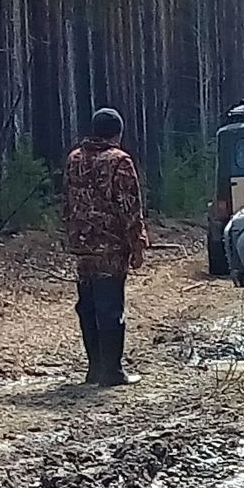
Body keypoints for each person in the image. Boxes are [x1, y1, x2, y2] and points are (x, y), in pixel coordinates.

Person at [62, 108, 148, 387]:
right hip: (111, 248)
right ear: (117, 134)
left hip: (82, 246)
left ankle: (95, 368)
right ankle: (112, 372)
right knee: (111, 307)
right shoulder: (119, 161)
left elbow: (68, 201)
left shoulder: (74, 159)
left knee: (87, 306)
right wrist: (137, 245)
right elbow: (129, 207)